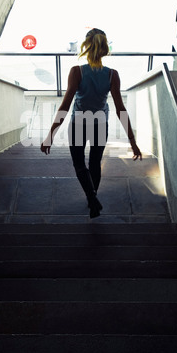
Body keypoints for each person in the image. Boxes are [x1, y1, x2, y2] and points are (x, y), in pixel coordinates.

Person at [41, 28, 142, 218]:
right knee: (95, 163)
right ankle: (92, 200)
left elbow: (65, 106)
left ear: (86, 47)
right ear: (104, 49)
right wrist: (132, 141)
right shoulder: (113, 75)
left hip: (79, 123)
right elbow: (121, 109)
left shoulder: (77, 72)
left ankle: (92, 196)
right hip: (100, 124)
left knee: (79, 163)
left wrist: (50, 135)